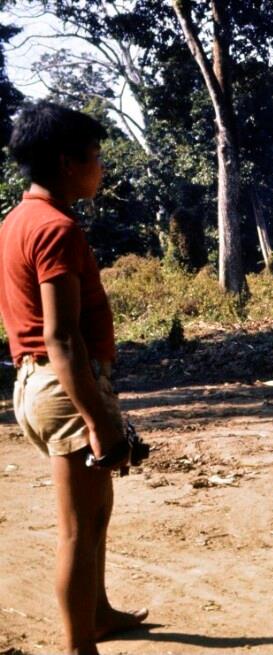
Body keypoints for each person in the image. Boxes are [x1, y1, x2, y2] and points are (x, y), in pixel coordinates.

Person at [0, 102, 147, 655]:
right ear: (67, 162)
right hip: (62, 388)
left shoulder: (17, 220)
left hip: (38, 383)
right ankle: (79, 647)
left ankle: (99, 615)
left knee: (95, 516)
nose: (101, 167)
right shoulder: (55, 228)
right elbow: (61, 337)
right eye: (95, 156)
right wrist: (99, 421)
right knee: (78, 530)